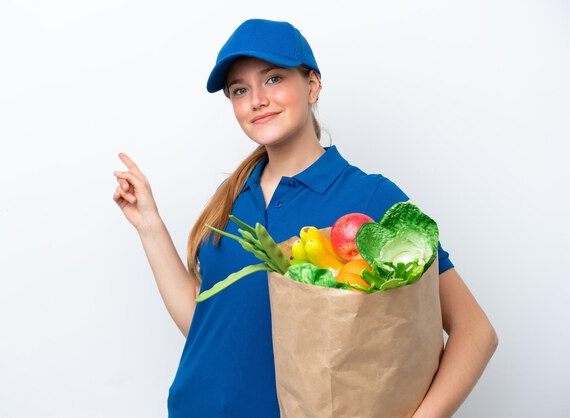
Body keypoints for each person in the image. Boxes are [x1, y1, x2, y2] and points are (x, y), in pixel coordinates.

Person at [112, 18, 498, 418]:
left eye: (273, 78)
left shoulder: (370, 197)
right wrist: (149, 225)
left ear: (312, 85)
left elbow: (475, 331)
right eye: (240, 90)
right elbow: (206, 325)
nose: (256, 99)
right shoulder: (231, 198)